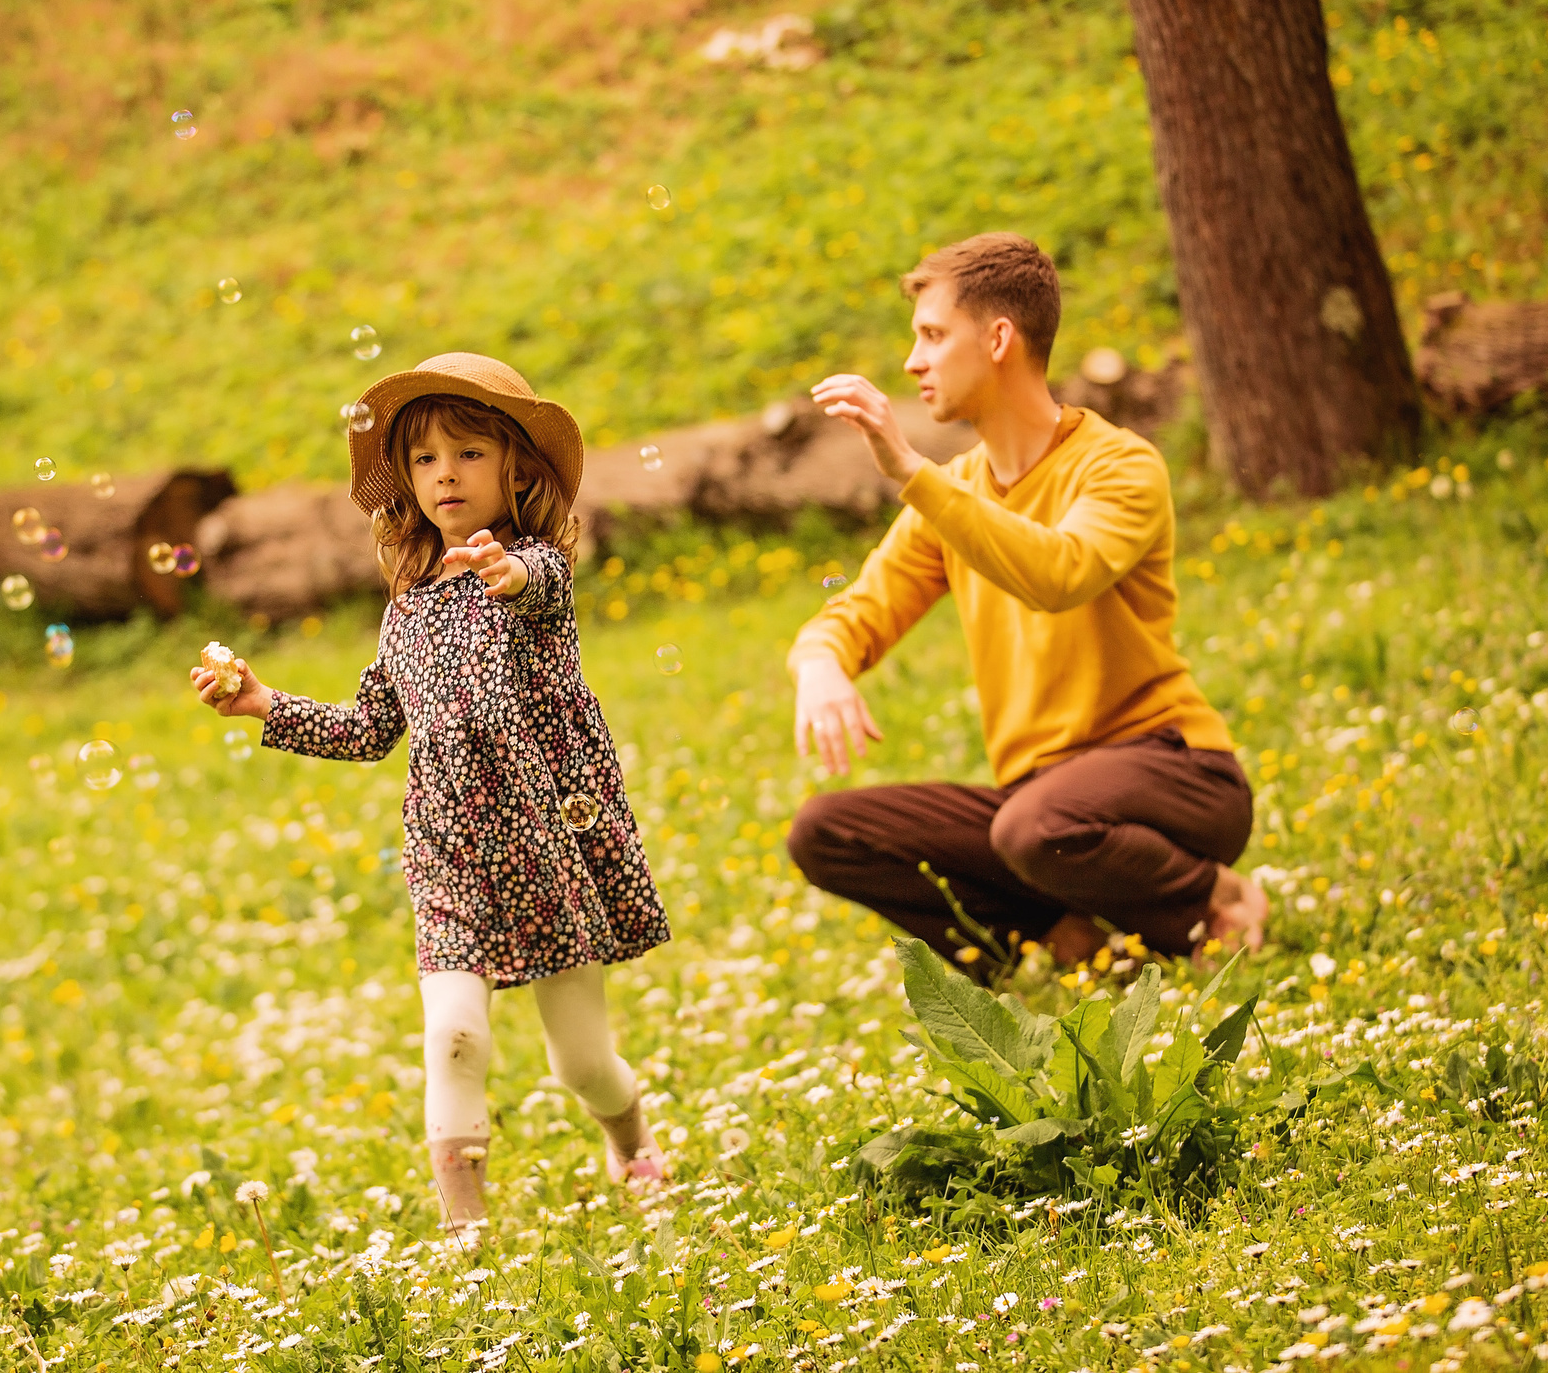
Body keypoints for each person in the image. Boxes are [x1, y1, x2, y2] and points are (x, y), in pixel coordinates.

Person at [191, 353, 672, 1244]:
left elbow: (546, 589)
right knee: (454, 1035)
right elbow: (374, 726)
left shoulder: (531, 574)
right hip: (451, 859)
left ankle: (632, 1139)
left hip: (543, 849)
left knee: (582, 1061)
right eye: (423, 460)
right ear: (406, 484)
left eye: (469, 453)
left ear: (516, 469)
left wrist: (512, 574)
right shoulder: (406, 607)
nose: (445, 474)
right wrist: (266, 704)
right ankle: (468, 1236)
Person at [782, 233, 1266, 969]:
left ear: (1000, 337)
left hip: (1175, 773)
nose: (913, 361)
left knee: (1035, 825)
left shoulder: (1120, 465)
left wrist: (912, 471)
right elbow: (858, 612)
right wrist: (819, 662)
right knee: (825, 830)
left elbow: (1060, 573)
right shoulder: (952, 495)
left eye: (934, 335)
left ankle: (1212, 899)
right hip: (1043, 806)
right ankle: (1069, 942)